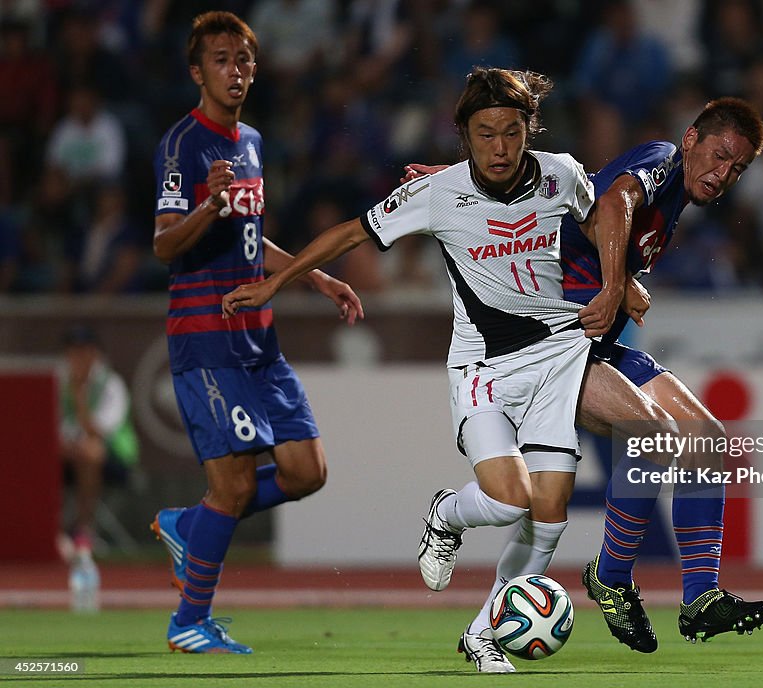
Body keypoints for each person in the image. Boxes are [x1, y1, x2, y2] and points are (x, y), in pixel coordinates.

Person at [223, 66, 676, 673]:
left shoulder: (562, 173)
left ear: (528, 131)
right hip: (484, 364)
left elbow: (598, 223)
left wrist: (623, 281)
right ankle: (446, 513)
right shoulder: (437, 194)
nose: (500, 146)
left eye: (512, 132)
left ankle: (485, 634)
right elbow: (350, 235)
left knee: (550, 518)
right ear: (463, 135)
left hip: (558, 351)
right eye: (485, 133)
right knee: (510, 500)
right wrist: (277, 280)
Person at [404, 97, 763, 657]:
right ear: (692, 137)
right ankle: (611, 577)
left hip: (594, 345)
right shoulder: (661, 159)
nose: (723, 175)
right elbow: (615, 198)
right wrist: (614, 282)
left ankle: (700, 596)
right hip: (552, 344)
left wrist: (622, 275)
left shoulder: (672, 192)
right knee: (646, 437)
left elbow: (559, 194)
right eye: (720, 155)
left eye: (738, 168)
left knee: (707, 441)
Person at [149, 11, 362, 655]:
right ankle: (189, 622)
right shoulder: (182, 144)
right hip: (207, 339)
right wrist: (206, 205)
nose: (236, 71)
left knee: (306, 470)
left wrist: (313, 276)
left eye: (244, 60)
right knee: (236, 484)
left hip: (259, 342)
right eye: (221, 60)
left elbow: (247, 239)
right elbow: (163, 244)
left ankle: (190, 522)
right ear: (197, 71)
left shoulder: (252, 143)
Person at [58, 325, 138, 557]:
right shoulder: (57, 381)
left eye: (84, 352)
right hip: (67, 454)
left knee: (90, 452)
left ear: (95, 354)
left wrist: (79, 398)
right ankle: (50, 531)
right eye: (73, 352)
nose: (78, 358)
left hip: (113, 458)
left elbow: (98, 433)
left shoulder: (111, 385)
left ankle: (84, 530)